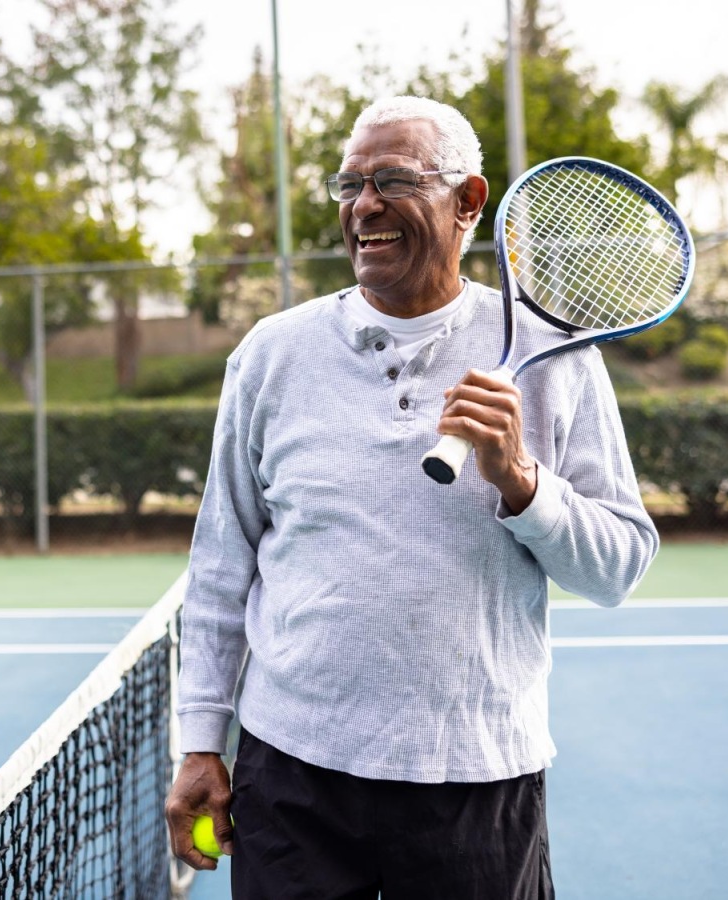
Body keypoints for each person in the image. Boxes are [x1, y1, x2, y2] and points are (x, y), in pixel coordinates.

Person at [165, 95, 658, 899]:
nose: (364, 206)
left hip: (478, 776)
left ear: (468, 201)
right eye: (349, 184)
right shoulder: (271, 355)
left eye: (392, 180)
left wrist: (522, 483)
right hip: (292, 775)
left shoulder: (555, 358)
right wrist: (199, 741)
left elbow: (619, 567)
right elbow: (222, 564)